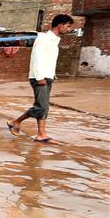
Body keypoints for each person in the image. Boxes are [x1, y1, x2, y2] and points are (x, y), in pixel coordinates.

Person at [6, 14, 74, 145]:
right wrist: (39, 77)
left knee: (44, 107)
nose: (69, 29)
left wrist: (52, 75)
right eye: (68, 26)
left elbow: (48, 60)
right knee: (41, 106)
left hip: (48, 77)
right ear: (60, 25)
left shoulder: (54, 41)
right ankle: (15, 122)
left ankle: (41, 134)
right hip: (39, 78)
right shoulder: (43, 38)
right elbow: (36, 58)